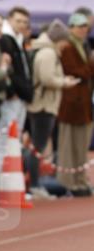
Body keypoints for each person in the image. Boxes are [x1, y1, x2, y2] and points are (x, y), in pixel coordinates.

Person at [26, 20, 79, 196]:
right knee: (38, 147)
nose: (65, 45)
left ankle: (33, 182)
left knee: (36, 146)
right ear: (58, 39)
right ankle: (34, 185)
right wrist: (65, 82)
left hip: (43, 104)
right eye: (65, 41)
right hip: (43, 105)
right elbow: (47, 78)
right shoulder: (48, 53)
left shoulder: (45, 50)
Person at [57, 12, 94, 196]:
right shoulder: (68, 47)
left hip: (83, 104)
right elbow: (74, 71)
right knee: (68, 145)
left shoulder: (83, 46)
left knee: (81, 146)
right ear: (71, 27)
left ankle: (80, 179)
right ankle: (68, 181)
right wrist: (91, 65)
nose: (84, 29)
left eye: (86, 26)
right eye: (80, 26)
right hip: (71, 104)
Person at [0, 6, 33, 137]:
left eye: (25, 22)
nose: (22, 25)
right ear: (10, 20)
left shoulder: (20, 40)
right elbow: (5, 68)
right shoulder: (5, 39)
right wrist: (11, 91)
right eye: (18, 21)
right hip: (12, 95)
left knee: (15, 134)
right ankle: (1, 158)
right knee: (6, 133)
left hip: (22, 95)